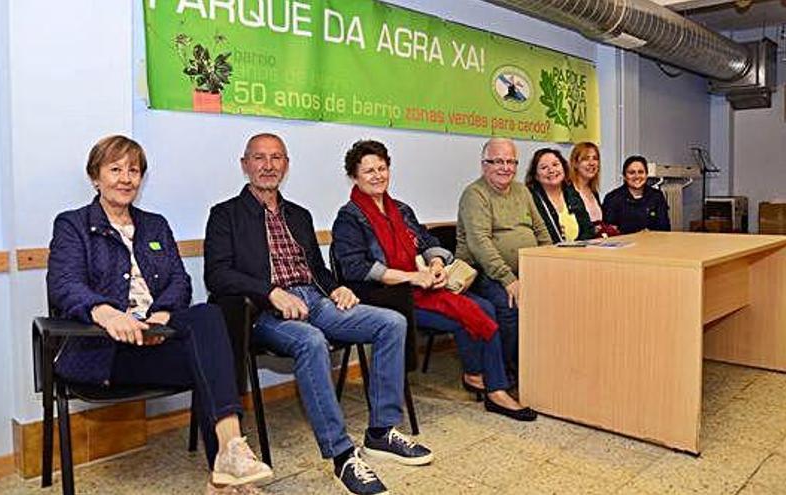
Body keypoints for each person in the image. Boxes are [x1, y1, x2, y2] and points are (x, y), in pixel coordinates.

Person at [203, 133, 433, 495]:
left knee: (392, 322)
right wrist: (271, 292)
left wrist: (337, 287)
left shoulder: (299, 215)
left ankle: (381, 431)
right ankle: (342, 455)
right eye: (259, 158)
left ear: (286, 165)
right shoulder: (225, 215)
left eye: (276, 158)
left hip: (315, 300)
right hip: (265, 312)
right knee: (312, 341)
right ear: (245, 164)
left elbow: (317, 270)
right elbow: (217, 274)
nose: (268, 165)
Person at [46, 135, 271, 495]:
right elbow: (64, 284)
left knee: (209, 316)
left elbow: (179, 282)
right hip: (107, 351)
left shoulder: (155, 225)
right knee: (210, 360)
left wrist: (162, 314)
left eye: (133, 170)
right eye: (115, 169)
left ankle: (228, 456)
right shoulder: (72, 225)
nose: (125, 178)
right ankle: (226, 471)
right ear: (95, 177)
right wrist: (108, 314)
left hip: (158, 337)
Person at [331, 140, 537, 422]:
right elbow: (355, 268)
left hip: (420, 287)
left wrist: (437, 264)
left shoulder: (401, 209)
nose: (378, 175)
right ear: (354, 176)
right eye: (369, 171)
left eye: (382, 168)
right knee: (469, 314)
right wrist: (412, 277)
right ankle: (495, 388)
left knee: (484, 307)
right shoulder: (349, 217)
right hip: (384, 295)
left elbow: (428, 242)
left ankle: (481, 375)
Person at [455, 137, 551, 375]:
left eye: (511, 162)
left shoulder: (523, 191)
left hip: (525, 269)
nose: (506, 168)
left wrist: (549, 264)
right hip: (482, 272)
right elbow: (479, 244)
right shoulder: (474, 194)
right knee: (510, 308)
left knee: (552, 300)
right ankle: (506, 372)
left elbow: (541, 230)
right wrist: (508, 279)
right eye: (498, 161)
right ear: (484, 164)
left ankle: (538, 365)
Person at [525, 148, 594, 243]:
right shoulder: (531, 199)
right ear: (536, 176)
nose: (551, 170)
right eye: (544, 167)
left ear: (564, 168)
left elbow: (588, 229)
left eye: (555, 165)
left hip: (578, 253)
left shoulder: (572, 193)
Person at [602, 155, 671, 234]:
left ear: (646, 175)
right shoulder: (612, 198)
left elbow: (665, 229)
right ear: (624, 176)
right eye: (632, 172)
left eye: (641, 172)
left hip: (652, 243)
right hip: (624, 244)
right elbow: (609, 231)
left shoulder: (657, 196)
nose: (637, 176)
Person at [568, 142, 604, 229]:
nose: (591, 163)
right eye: (586, 159)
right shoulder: (567, 192)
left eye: (595, 158)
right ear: (575, 164)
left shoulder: (593, 191)